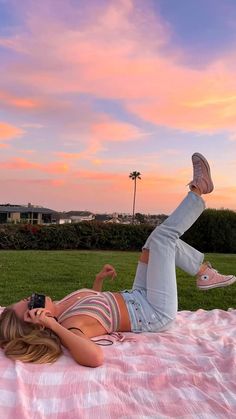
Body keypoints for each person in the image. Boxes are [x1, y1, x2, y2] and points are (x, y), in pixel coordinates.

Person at [0, 153, 235, 367]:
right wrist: (53, 326)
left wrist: (98, 281)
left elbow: (95, 306)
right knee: (164, 238)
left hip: (137, 295)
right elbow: (95, 357)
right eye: (32, 304)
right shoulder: (70, 324)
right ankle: (199, 188)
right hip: (154, 313)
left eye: (29, 297)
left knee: (152, 243)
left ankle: (203, 272)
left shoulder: (63, 304)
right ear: (40, 320)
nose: (34, 296)